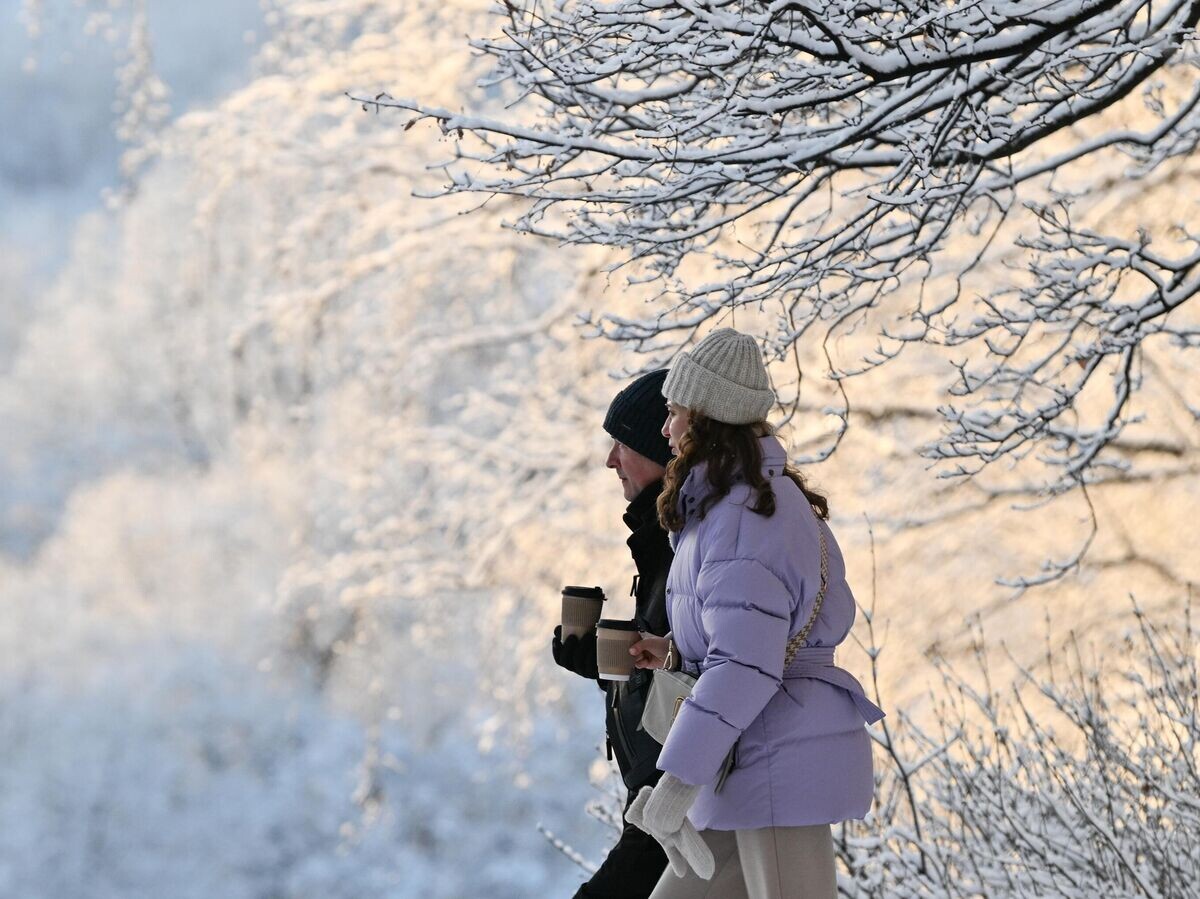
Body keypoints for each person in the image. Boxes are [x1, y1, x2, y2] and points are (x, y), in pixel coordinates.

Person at [624, 329, 885, 899]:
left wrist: (677, 779)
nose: (665, 429)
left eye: (673, 413)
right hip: (745, 759)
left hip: (775, 764)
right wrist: (675, 652)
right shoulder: (728, 507)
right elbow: (748, 639)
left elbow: (746, 664)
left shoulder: (746, 517)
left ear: (705, 419)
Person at [551, 369, 675, 899]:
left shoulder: (687, 548)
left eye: (622, 444)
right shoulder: (662, 542)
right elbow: (671, 671)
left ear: (662, 448)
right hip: (657, 806)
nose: (610, 460)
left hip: (672, 807)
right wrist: (607, 668)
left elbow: (703, 678)